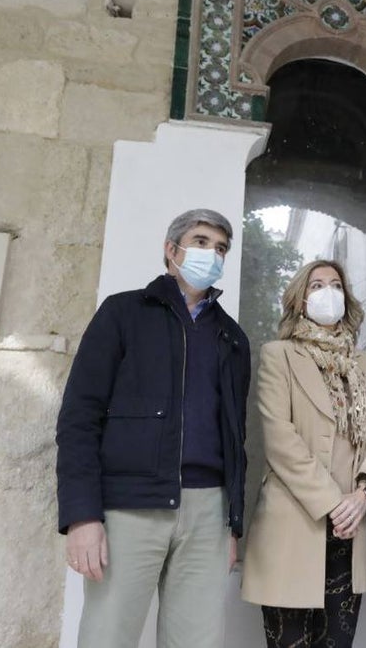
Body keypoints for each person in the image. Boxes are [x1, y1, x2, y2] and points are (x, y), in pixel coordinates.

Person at [55, 209, 251, 648]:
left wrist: (232, 523)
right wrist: (82, 515)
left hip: (208, 514)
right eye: (201, 241)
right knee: (108, 637)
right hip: (131, 506)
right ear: (171, 249)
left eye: (220, 248)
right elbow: (79, 417)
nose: (211, 254)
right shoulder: (123, 313)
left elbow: (236, 439)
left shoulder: (232, 338)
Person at [241, 260, 366, 648]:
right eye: (317, 285)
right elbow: (279, 438)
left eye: (336, 285)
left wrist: (363, 494)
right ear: (301, 300)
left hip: (350, 528)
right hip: (293, 524)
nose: (328, 292)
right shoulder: (279, 355)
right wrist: (333, 503)